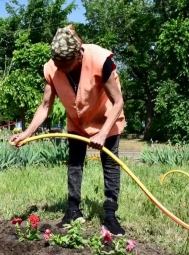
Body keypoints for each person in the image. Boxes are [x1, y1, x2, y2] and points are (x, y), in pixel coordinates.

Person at [10, 25, 126, 236]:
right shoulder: (52, 68)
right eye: (57, 64)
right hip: (77, 121)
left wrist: (102, 133)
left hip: (106, 117)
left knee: (110, 164)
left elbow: (118, 102)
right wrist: (26, 133)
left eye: (65, 64)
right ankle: (73, 209)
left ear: (78, 56)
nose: (60, 69)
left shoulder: (101, 61)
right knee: (74, 163)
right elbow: (46, 106)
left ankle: (110, 214)